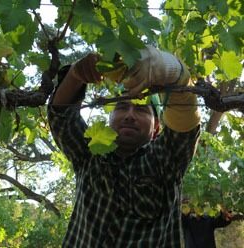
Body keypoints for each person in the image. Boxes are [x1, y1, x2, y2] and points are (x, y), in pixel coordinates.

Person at [47, 45, 201, 247]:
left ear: (156, 127)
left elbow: (186, 126)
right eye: (121, 107)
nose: (129, 115)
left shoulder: (166, 159)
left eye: (141, 110)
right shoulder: (90, 153)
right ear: (110, 118)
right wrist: (76, 73)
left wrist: (167, 69)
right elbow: (61, 116)